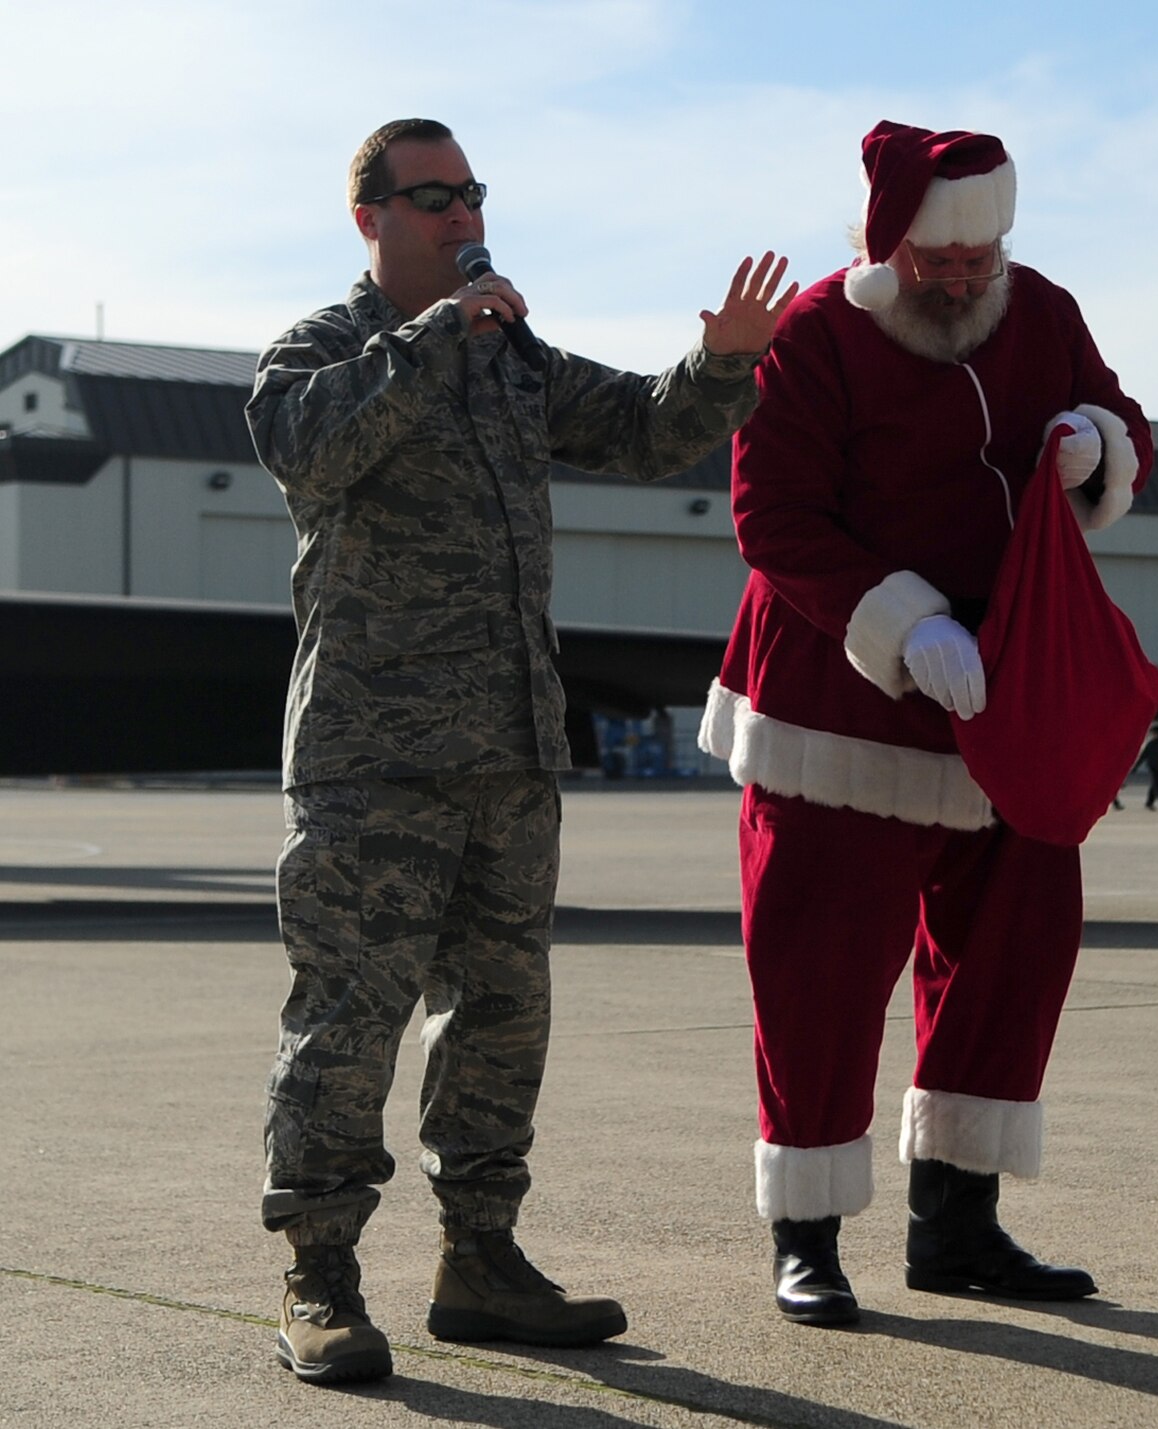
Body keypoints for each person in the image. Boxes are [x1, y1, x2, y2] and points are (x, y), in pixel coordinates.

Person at [247, 117, 794, 1384]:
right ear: (369, 217)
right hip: (373, 756)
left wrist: (718, 367)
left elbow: (646, 431)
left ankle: (480, 1261)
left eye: (469, 191)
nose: (458, 212)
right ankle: (318, 1276)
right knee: (346, 1023)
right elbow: (306, 449)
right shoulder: (321, 351)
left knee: (499, 1017)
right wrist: (445, 331)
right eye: (429, 195)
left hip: (508, 749)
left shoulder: (514, 357)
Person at [697, 120, 1152, 1325]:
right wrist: (902, 624)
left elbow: (1122, 420)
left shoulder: (1040, 310)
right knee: (820, 971)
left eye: (981, 257)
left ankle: (956, 1224)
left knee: (1012, 954)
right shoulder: (816, 334)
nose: (963, 279)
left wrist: (1092, 448)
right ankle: (808, 1233)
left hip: (1002, 700)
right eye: (939, 260)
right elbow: (773, 516)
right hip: (836, 702)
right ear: (885, 240)